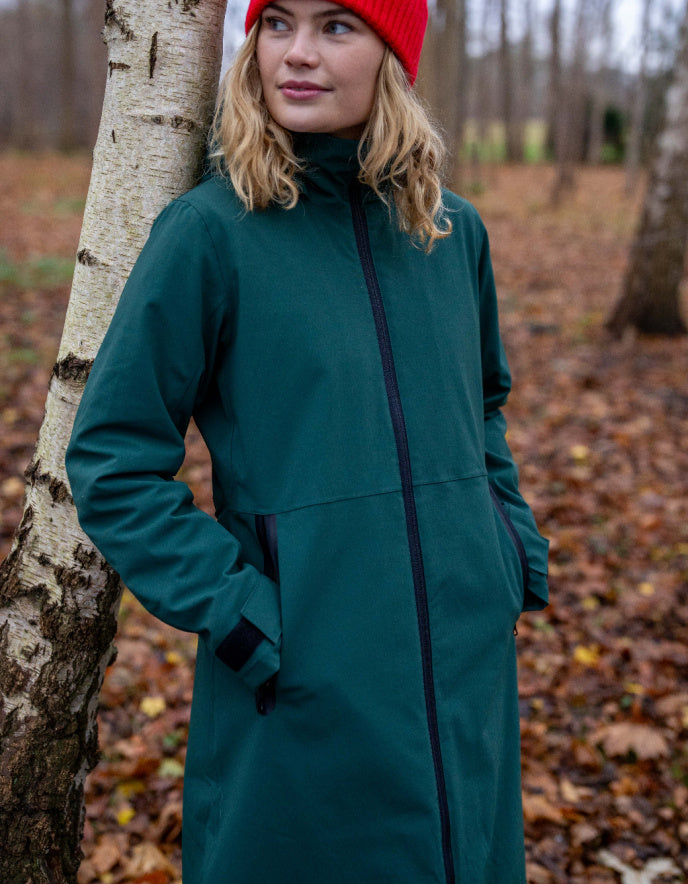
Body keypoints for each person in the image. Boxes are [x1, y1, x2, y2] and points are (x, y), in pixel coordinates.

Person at [66, 1, 549, 881]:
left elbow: (482, 405)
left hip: (464, 668)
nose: (297, 54)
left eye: (337, 27)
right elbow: (112, 456)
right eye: (278, 23)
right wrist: (238, 612)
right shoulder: (211, 234)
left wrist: (506, 546)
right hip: (299, 675)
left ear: (392, 54)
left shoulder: (451, 233)